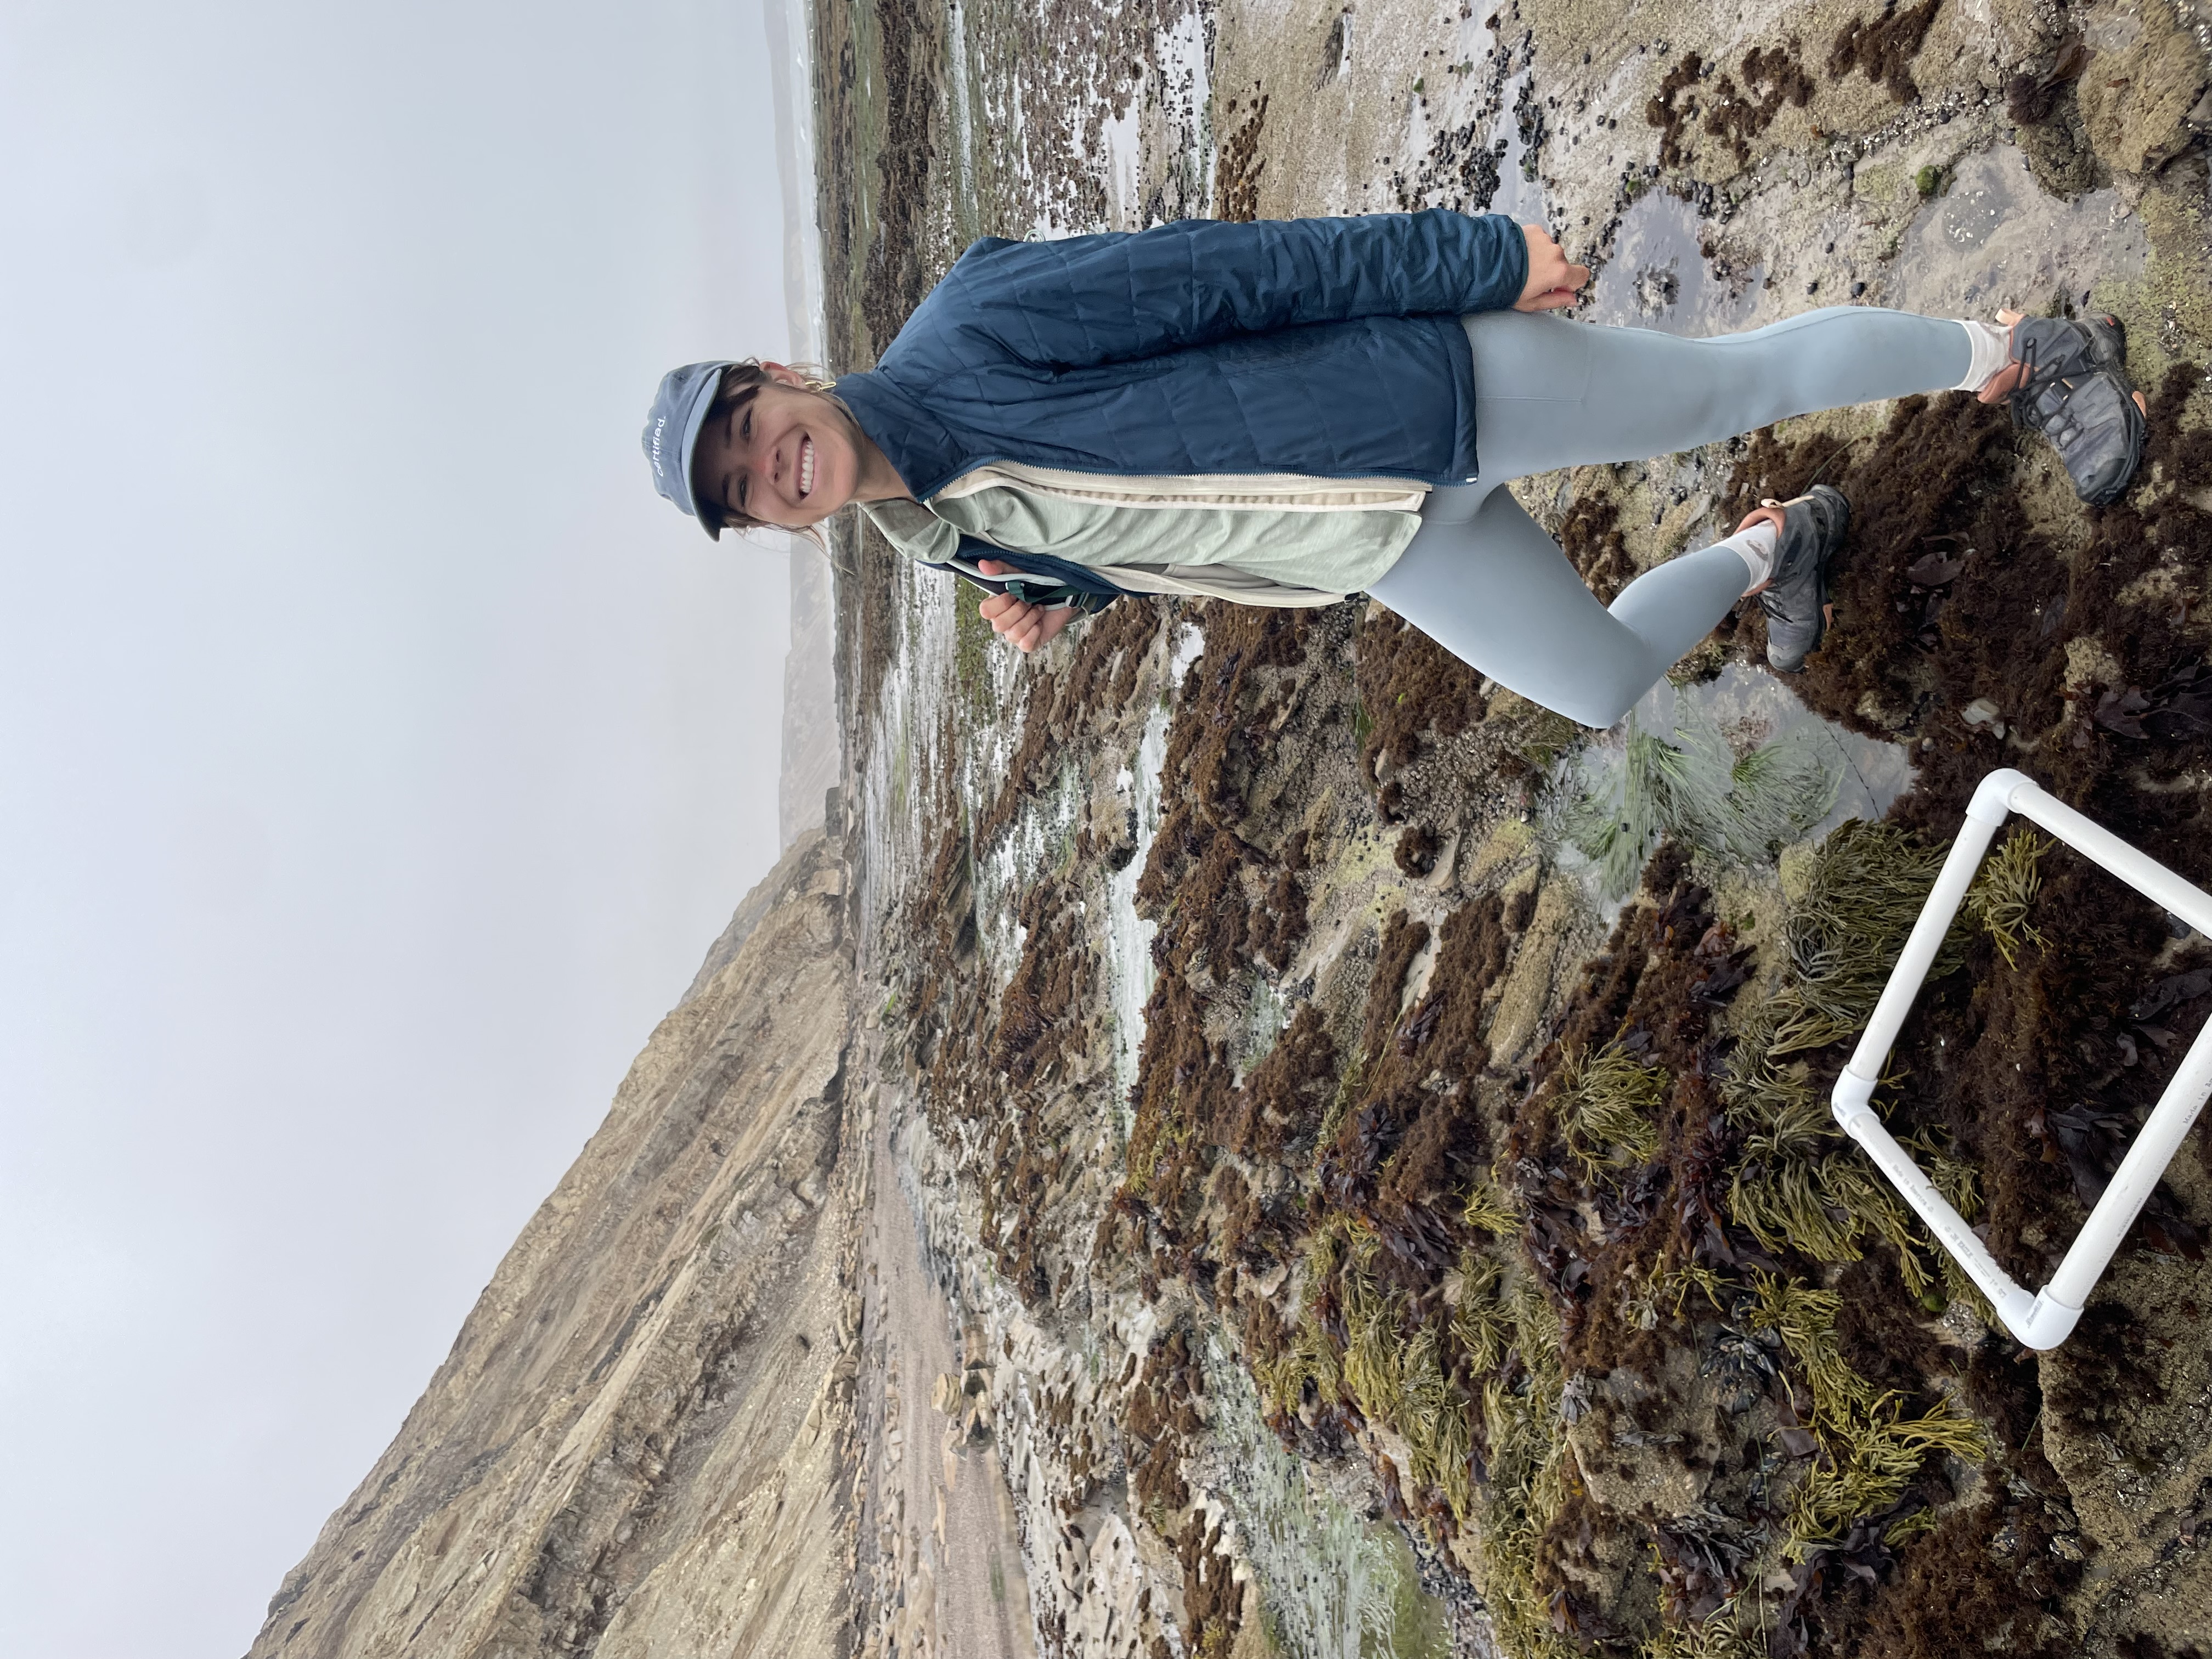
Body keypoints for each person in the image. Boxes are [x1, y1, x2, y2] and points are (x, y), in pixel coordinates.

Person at [642, 212, 2147, 730]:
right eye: (742, 487)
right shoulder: (927, 538)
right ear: (764, 522)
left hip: (1428, 398)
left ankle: (2023, 351)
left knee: (1728, 384)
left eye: (749, 423)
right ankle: (1782, 547)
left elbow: (1237, 272)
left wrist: (1482, 258)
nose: (769, 464)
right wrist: (1065, 600)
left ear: (780, 372)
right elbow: (1137, 518)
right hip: (1383, 546)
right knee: (1598, 686)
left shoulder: (971, 322)